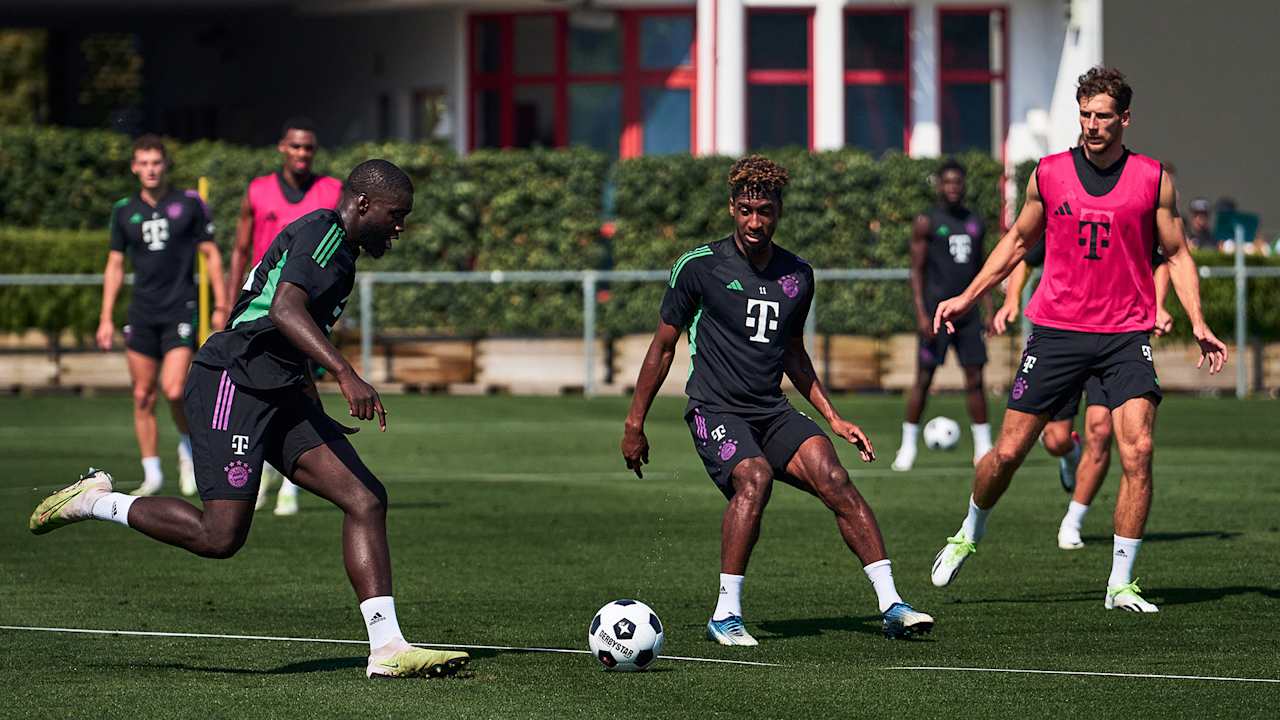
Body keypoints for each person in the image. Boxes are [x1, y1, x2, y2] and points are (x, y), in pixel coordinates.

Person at [30, 159, 469, 679]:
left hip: (277, 390)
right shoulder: (324, 233)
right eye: (396, 215)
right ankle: (96, 502)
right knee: (220, 537)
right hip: (231, 381)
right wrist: (346, 374)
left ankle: (387, 647)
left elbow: (286, 332)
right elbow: (284, 310)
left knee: (365, 499)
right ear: (364, 204)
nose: (400, 227)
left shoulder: (343, 253)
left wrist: (310, 397)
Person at [928, 67, 1227, 614]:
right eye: (1085, 115)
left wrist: (1198, 321)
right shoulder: (1049, 173)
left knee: (1138, 449)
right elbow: (1018, 242)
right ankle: (969, 530)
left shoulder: (1153, 179)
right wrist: (971, 296)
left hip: (1123, 335)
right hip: (1058, 330)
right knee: (1010, 452)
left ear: (1125, 119)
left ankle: (1120, 583)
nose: (1091, 125)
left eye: (1103, 116)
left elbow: (1178, 253)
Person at [620, 155, 933, 644]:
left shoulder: (798, 276)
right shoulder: (698, 267)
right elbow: (662, 348)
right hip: (714, 409)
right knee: (755, 477)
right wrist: (633, 424)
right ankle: (725, 614)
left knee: (834, 478)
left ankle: (892, 604)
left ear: (779, 211)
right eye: (745, 210)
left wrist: (833, 417)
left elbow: (793, 353)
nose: (754, 222)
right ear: (731, 208)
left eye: (764, 211)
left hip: (770, 410)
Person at [994, 236, 1174, 551]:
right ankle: (1069, 455)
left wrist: (1156, 306)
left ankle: (1073, 520)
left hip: (1112, 339)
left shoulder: (1124, 220)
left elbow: (1162, 262)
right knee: (1056, 440)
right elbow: (1024, 255)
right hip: (1064, 338)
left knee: (1101, 430)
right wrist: (1011, 301)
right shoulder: (1063, 216)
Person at [97, 135, 229, 498]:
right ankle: (152, 474)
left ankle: (187, 450)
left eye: (157, 162)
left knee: (173, 389)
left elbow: (211, 254)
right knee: (142, 395)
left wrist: (220, 304)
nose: (151, 169)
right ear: (134, 167)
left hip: (180, 308)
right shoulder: (124, 210)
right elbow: (114, 263)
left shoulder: (188, 204)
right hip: (142, 312)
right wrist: (105, 317)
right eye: (144, 163)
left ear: (166, 165)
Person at [228, 117, 343, 516]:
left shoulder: (330, 191)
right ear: (282, 148)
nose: (301, 154)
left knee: (301, 387)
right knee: (257, 391)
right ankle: (260, 472)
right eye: (295, 146)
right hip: (262, 309)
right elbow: (240, 250)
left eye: (308, 148)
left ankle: (293, 479)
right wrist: (228, 305)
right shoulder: (258, 191)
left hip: (305, 311)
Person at [891, 159, 993, 472]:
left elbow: (982, 271)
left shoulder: (975, 222)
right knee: (923, 379)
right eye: (947, 182)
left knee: (976, 379)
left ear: (964, 185)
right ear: (939, 185)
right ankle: (907, 447)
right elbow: (917, 271)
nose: (952, 187)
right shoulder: (927, 221)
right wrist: (921, 312)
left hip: (969, 314)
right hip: (936, 315)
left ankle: (983, 448)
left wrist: (988, 310)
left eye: (957, 182)